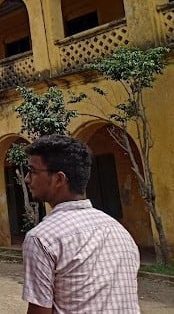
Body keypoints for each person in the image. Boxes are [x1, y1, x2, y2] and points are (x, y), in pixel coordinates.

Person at [22, 134, 140, 314]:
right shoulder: (118, 230)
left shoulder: (42, 238)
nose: (27, 179)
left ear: (59, 179)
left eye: (33, 171)